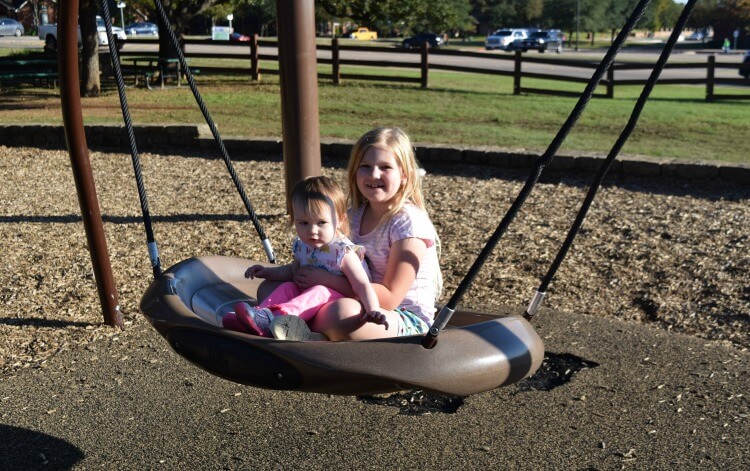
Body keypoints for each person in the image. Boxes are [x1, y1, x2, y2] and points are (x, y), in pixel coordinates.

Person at [292, 126, 442, 341]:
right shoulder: (353, 215)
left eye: (385, 167)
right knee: (274, 288)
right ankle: (305, 330)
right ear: (354, 172)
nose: (374, 174)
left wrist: (326, 280)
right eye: (365, 166)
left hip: (402, 319)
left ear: (404, 176)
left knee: (339, 314)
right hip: (354, 299)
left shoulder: (407, 223)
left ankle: (309, 332)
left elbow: (390, 299)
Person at [222, 176, 388, 340]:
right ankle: (257, 317)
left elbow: (361, 286)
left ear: (340, 220)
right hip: (307, 297)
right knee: (287, 286)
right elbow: (292, 270)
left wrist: (373, 309)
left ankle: (278, 319)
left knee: (320, 291)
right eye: (303, 223)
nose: (312, 231)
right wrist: (266, 272)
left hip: (338, 303)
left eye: (321, 223)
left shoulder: (342, 252)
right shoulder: (304, 246)